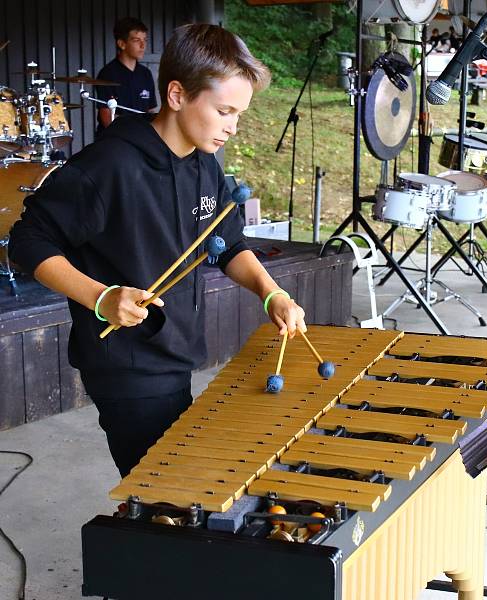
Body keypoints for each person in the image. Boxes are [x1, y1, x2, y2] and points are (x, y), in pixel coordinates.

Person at [9, 24, 307, 478]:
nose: (232, 126)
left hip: (177, 354)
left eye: (239, 114)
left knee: (179, 495)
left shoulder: (203, 164)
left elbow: (228, 244)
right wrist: (101, 298)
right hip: (127, 366)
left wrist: (272, 293)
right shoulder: (111, 165)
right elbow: (28, 240)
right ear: (176, 95)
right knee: (169, 495)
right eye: (224, 110)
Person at [95, 17, 159, 136]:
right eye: (136, 40)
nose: (143, 45)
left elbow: (150, 111)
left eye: (145, 40)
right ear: (122, 44)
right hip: (114, 139)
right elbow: (107, 117)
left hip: (141, 138)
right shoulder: (107, 74)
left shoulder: (146, 74)